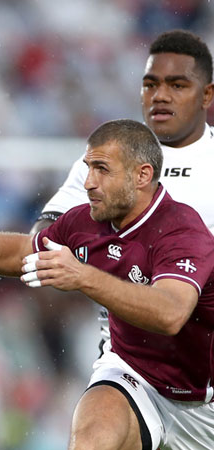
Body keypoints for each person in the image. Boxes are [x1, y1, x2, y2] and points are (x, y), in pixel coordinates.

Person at [0, 119, 214, 450]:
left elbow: (170, 313)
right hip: (133, 376)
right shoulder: (84, 222)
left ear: (142, 176)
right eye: (88, 168)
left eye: (102, 170)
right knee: (92, 440)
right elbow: (21, 253)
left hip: (204, 400)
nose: (88, 182)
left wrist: (84, 276)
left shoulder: (183, 232)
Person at [31, 29, 214, 354]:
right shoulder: (107, 158)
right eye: (150, 84)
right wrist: (113, 258)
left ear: (206, 95)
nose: (160, 95)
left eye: (177, 85)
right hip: (127, 357)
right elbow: (44, 237)